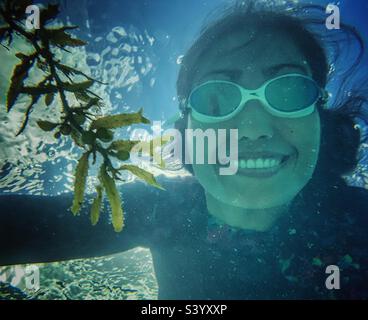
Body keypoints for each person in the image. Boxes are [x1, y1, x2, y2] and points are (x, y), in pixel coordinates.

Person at [1, 1, 368, 299]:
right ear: (186, 133)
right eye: (216, 98)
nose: (254, 129)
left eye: (289, 91)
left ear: (321, 120)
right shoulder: (162, 209)